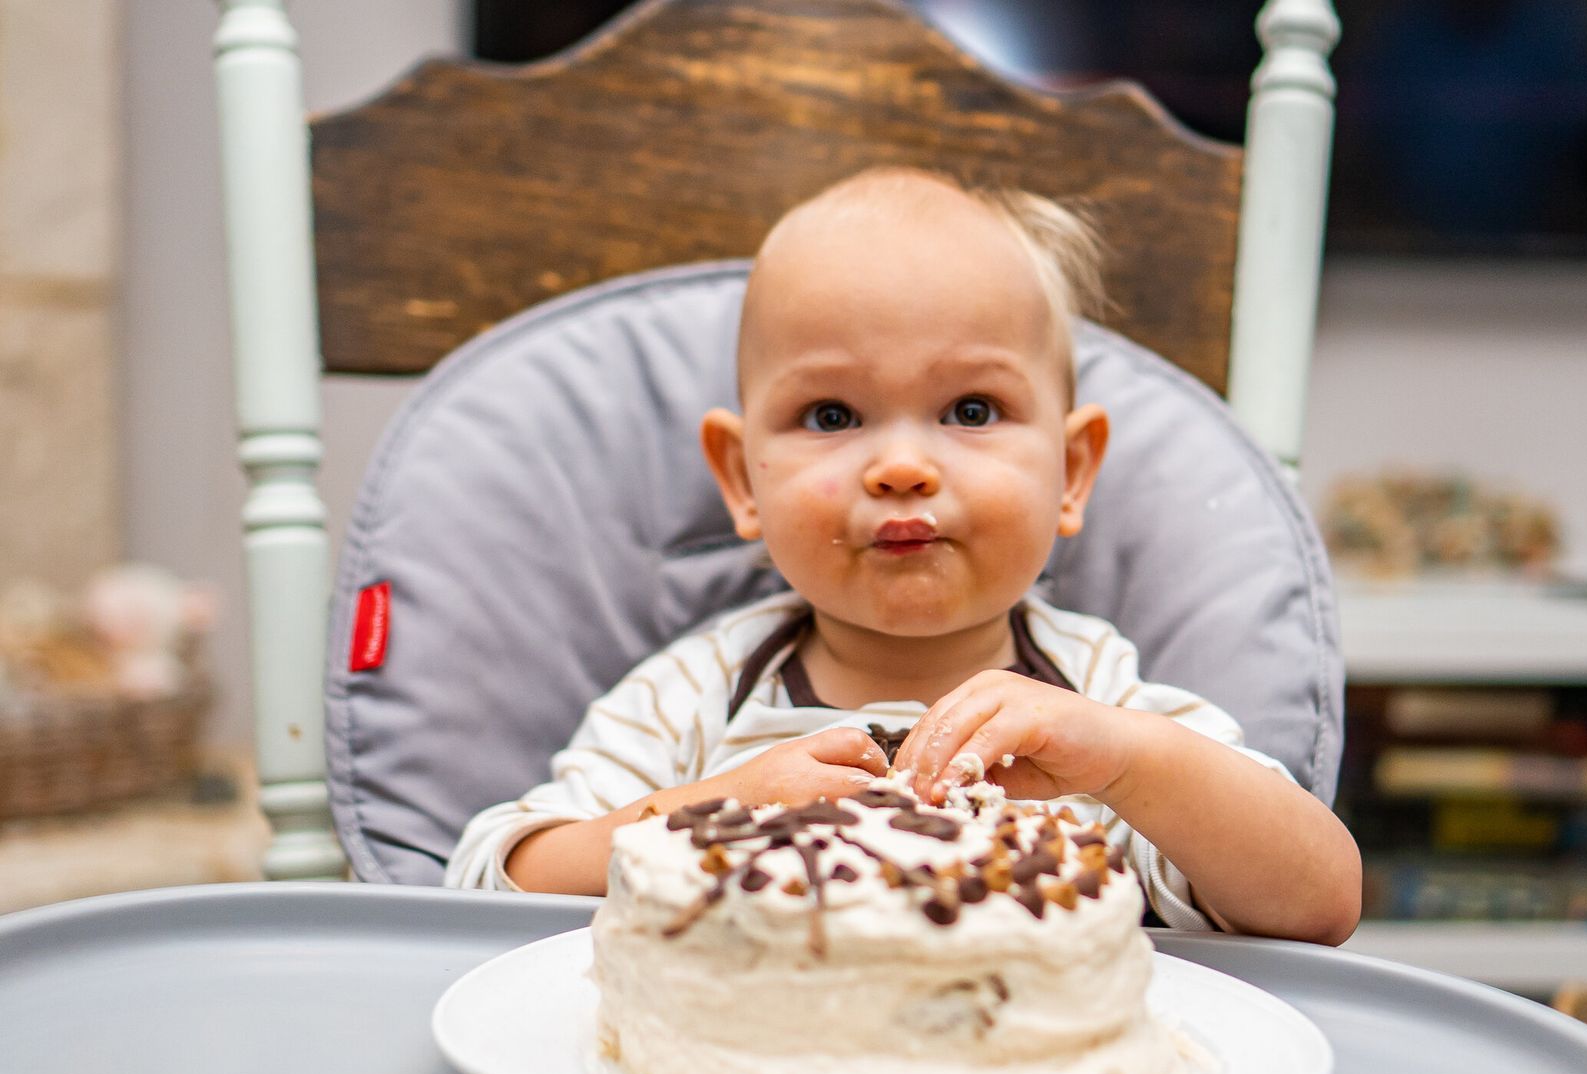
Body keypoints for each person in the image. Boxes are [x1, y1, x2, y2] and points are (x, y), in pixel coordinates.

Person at [445, 167, 1360, 944]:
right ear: (741, 479)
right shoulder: (698, 695)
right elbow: (490, 879)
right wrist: (709, 814)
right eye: (831, 416)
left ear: (1073, 472)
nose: (902, 467)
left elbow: (1319, 903)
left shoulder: (1100, 703)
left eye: (970, 410)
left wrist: (1128, 765)